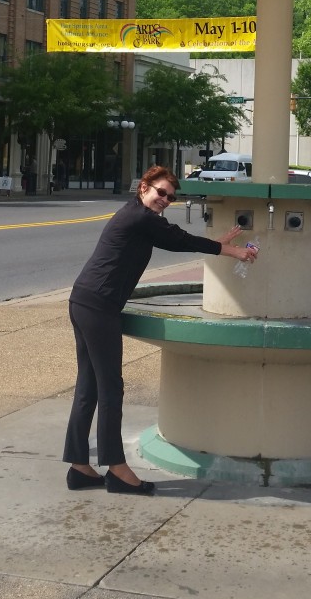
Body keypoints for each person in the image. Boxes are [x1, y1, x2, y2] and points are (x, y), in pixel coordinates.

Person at [62, 164, 257, 496]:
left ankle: (80, 467)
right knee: (110, 389)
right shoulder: (140, 218)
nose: (165, 199)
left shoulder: (136, 215)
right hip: (98, 308)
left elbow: (178, 238)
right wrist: (232, 250)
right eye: (160, 192)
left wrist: (215, 243)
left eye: (170, 196)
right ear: (144, 188)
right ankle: (117, 469)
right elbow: (177, 240)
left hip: (84, 301)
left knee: (89, 387)